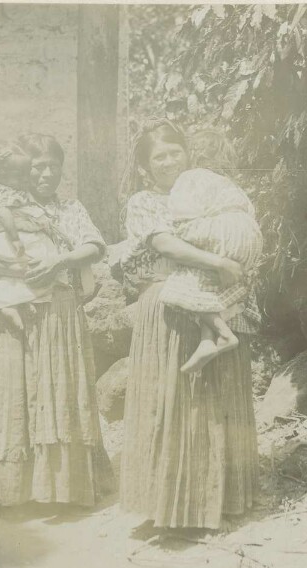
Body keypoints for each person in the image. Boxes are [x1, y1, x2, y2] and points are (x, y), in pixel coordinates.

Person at [0, 132, 114, 508]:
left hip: (60, 311)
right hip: (16, 312)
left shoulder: (70, 209)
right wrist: (16, 273)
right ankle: (15, 490)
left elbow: (95, 246)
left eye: (53, 167)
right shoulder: (6, 202)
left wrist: (58, 261)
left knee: (58, 394)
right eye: (37, 167)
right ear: (23, 170)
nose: (46, 175)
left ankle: (62, 490)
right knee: (18, 393)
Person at [120, 117, 260, 533]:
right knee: (173, 399)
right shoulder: (144, 202)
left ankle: (217, 501)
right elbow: (164, 244)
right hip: (166, 304)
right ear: (145, 167)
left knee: (212, 400)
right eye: (157, 157)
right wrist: (219, 262)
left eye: (174, 152)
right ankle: (169, 507)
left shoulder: (207, 192)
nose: (167, 162)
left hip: (215, 299)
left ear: (187, 154)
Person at [159, 129, 263, 373]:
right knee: (211, 284)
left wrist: (180, 228)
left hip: (222, 229)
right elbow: (248, 210)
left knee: (189, 274)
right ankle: (208, 340)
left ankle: (224, 333)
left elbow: (181, 208)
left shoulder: (191, 176)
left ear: (192, 155)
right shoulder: (229, 183)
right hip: (249, 234)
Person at [0, 141, 70, 330]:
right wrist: (15, 239)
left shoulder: (6, 190)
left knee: (20, 269)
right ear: (2, 174)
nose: (23, 180)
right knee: (30, 259)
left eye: (54, 167)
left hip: (8, 239)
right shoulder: (7, 193)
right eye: (37, 168)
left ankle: (20, 301)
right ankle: (10, 305)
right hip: (7, 239)